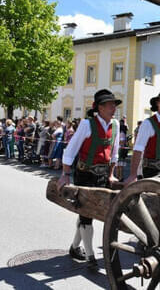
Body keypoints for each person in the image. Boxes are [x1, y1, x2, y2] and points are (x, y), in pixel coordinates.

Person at [57, 89, 121, 268]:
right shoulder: (87, 124)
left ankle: (74, 247)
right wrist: (65, 174)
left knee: (87, 212)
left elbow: (114, 153)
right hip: (85, 174)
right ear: (99, 108)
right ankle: (90, 256)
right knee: (87, 215)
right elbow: (70, 150)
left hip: (102, 175)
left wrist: (111, 174)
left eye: (114, 104)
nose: (112, 107)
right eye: (109, 104)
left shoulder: (115, 125)